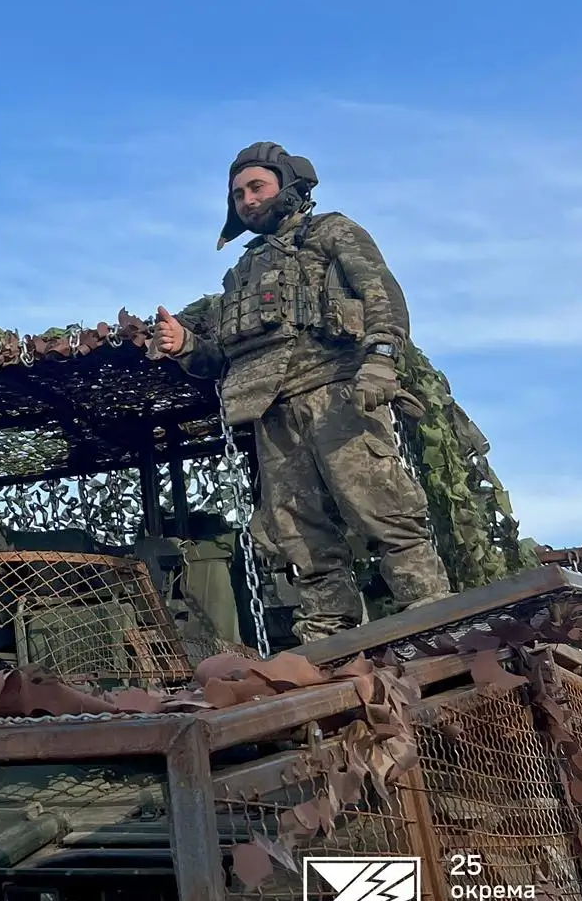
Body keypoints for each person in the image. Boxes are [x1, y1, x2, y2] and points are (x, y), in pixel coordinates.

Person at [153, 143, 450, 644]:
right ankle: (329, 635)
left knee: (382, 508)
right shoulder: (242, 273)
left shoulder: (331, 232)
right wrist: (185, 345)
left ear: (288, 186)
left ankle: (432, 616)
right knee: (298, 534)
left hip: (338, 392)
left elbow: (381, 294)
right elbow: (225, 358)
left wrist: (380, 360)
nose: (247, 200)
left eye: (256, 187)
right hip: (272, 409)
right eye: (238, 194)